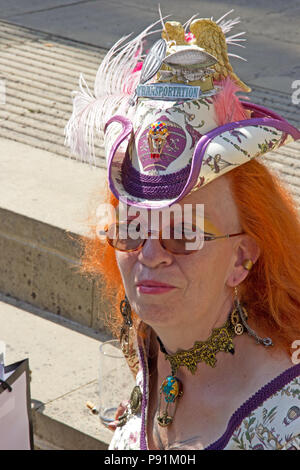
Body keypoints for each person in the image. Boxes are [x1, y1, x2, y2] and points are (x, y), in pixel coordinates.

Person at [64, 11, 300, 450]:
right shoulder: (150, 347)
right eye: (132, 228)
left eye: (185, 233)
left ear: (243, 259)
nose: (150, 254)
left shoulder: (288, 424)